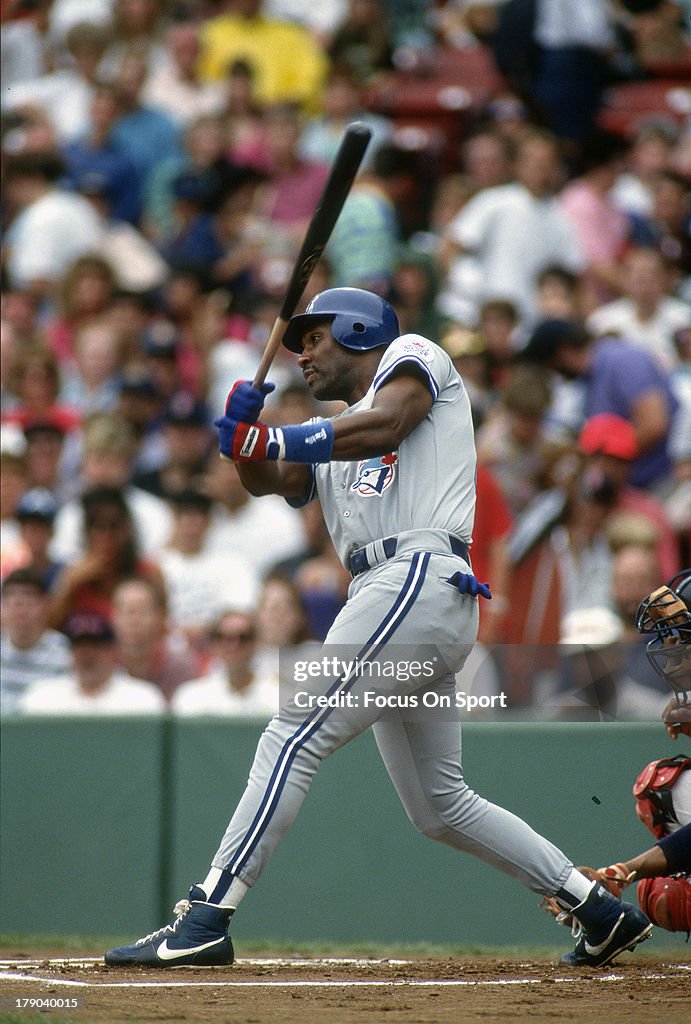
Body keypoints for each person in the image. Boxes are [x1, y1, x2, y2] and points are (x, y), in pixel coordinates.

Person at [106, 286, 652, 969]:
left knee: (291, 737)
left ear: (359, 330)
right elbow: (269, 480)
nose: (303, 352)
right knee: (438, 804)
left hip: (415, 578)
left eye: (316, 337)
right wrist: (242, 443)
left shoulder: (413, 356)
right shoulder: (333, 430)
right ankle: (592, 907)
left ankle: (208, 913)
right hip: (403, 599)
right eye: (298, 340)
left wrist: (271, 433)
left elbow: (389, 421)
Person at [18, 609, 166, 716]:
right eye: (80, 647)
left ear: (113, 651)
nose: (87, 655)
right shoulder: (42, 698)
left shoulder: (142, 700)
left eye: (96, 646)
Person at [0, 567, 71, 716]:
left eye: (28, 599)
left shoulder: (67, 652)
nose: (19, 608)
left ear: (45, 605)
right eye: (11, 600)